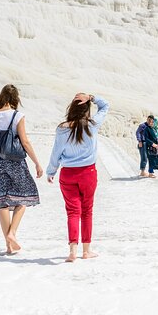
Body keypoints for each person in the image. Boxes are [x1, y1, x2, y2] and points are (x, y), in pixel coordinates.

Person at [46, 93, 109, 263]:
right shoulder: (92, 125)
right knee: (87, 211)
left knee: (73, 211)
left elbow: (56, 152)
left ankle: (73, 250)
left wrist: (51, 171)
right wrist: (91, 97)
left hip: (68, 174)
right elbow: (105, 106)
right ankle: (86, 251)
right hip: (88, 173)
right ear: (86, 109)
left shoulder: (62, 128)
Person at [0, 84, 43, 255]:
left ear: (1, 97)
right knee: (24, 196)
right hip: (16, 161)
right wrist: (37, 163)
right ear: (15, 99)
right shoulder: (18, 116)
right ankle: (12, 233)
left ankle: (8, 246)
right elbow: (24, 142)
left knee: (3, 201)